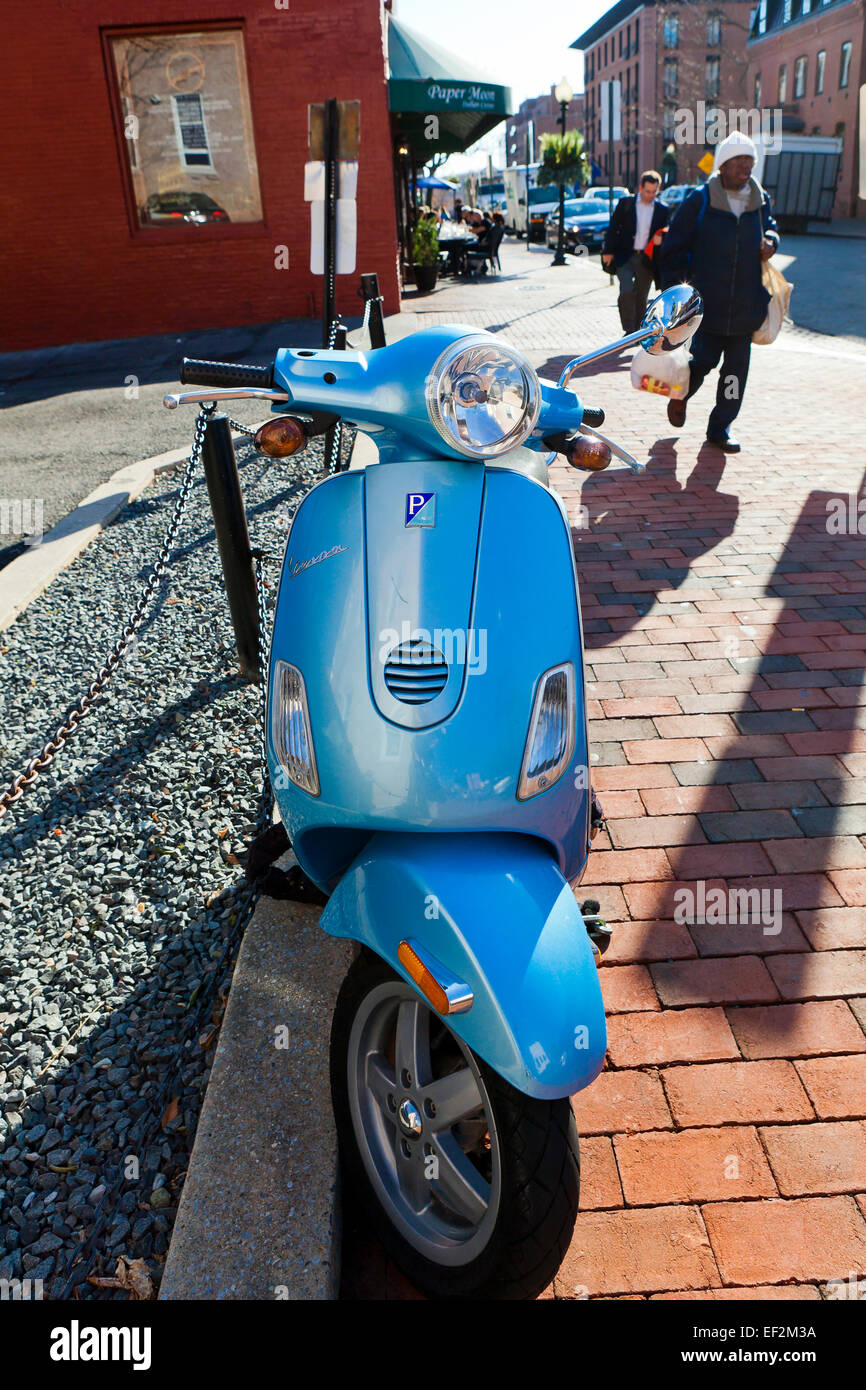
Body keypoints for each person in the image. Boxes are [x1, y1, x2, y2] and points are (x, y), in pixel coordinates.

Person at [659, 130, 780, 452]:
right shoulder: (699, 201)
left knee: (734, 376)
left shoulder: (760, 201)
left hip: (746, 304)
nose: (745, 168)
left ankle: (720, 427)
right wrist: (676, 297)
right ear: (723, 165)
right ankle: (681, 395)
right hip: (707, 305)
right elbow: (671, 251)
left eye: (750, 161)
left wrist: (771, 240)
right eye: (739, 161)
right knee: (702, 362)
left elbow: (771, 226)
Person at [602, 170, 670, 333]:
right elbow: (613, 227)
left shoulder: (662, 210)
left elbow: (668, 231)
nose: (651, 195)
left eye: (654, 192)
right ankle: (628, 328)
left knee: (642, 295)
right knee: (626, 289)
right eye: (648, 191)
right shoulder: (626, 204)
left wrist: (661, 239)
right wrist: (608, 251)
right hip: (624, 255)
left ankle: (639, 330)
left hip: (646, 259)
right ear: (640, 188)